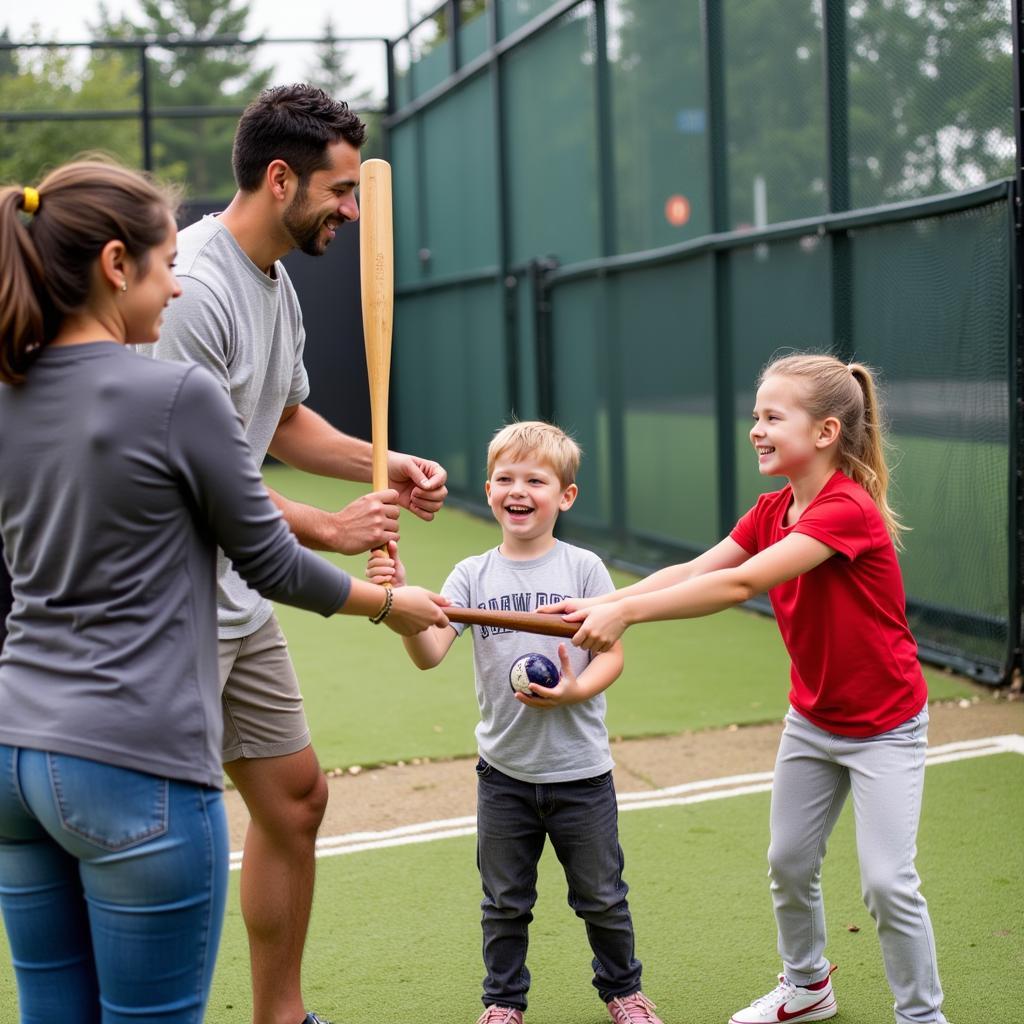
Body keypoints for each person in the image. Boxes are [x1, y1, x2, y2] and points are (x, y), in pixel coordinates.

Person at [0, 161, 449, 1023]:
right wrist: (392, 605)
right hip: (136, 763)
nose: (176, 285)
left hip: (16, 761)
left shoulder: (9, 389)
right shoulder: (175, 395)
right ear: (115, 266)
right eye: (166, 263)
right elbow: (270, 563)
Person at [142, 84, 450, 1024]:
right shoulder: (190, 286)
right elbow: (187, 470)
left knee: (297, 800)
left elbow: (278, 419)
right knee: (162, 838)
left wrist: (383, 464)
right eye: (341, 189)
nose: (352, 211)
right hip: (173, 597)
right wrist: (329, 525)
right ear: (282, 180)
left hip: (238, 596)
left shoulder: (274, 283)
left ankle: (282, 1015)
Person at [542, 353, 948, 1024]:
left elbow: (740, 584)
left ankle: (922, 1017)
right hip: (814, 722)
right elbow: (698, 568)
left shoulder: (845, 509)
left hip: (886, 727)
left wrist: (625, 615)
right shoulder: (772, 509)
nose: (756, 429)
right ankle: (808, 986)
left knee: (887, 883)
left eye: (772, 417)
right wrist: (601, 603)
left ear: (823, 433)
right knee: (788, 863)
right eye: (754, 416)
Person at [368, 421, 666, 1024]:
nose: (518, 490)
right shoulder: (472, 576)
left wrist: (576, 688)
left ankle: (624, 993)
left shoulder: (584, 570)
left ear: (566, 496)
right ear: (488, 488)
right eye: (505, 478)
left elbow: (612, 654)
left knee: (603, 898)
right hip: (503, 776)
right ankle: (503, 1002)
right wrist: (397, 602)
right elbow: (429, 652)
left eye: (536, 479)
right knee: (504, 903)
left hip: (581, 774)